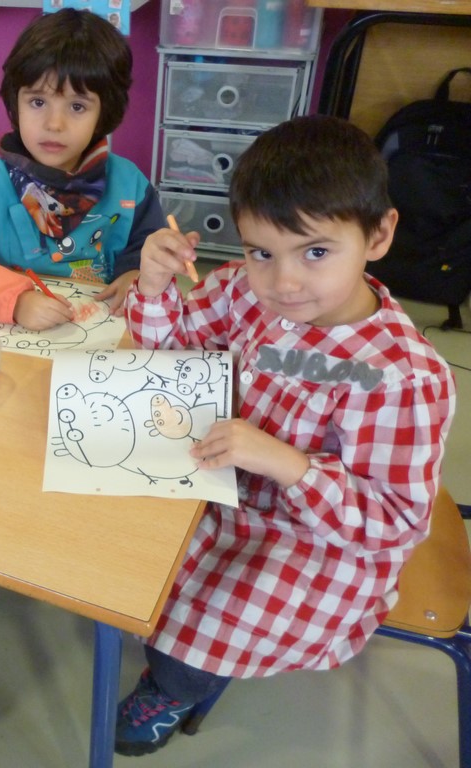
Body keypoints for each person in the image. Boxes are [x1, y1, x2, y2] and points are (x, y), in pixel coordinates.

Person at [115, 115, 456, 756]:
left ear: (379, 235)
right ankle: (170, 657)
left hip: (314, 542)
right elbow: (174, 354)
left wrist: (289, 464)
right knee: (120, 553)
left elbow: (393, 521)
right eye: (261, 252)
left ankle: (173, 685)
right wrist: (154, 286)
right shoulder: (248, 293)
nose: (284, 282)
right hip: (223, 481)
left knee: (203, 622)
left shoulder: (403, 377)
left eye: (316, 252)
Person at [0, 8, 164, 331]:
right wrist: (16, 301)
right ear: (15, 102)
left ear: (104, 112)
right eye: (38, 102)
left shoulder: (130, 185)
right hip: (13, 335)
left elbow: (150, 249)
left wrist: (137, 276)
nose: (54, 124)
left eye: (77, 106)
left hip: (97, 337)